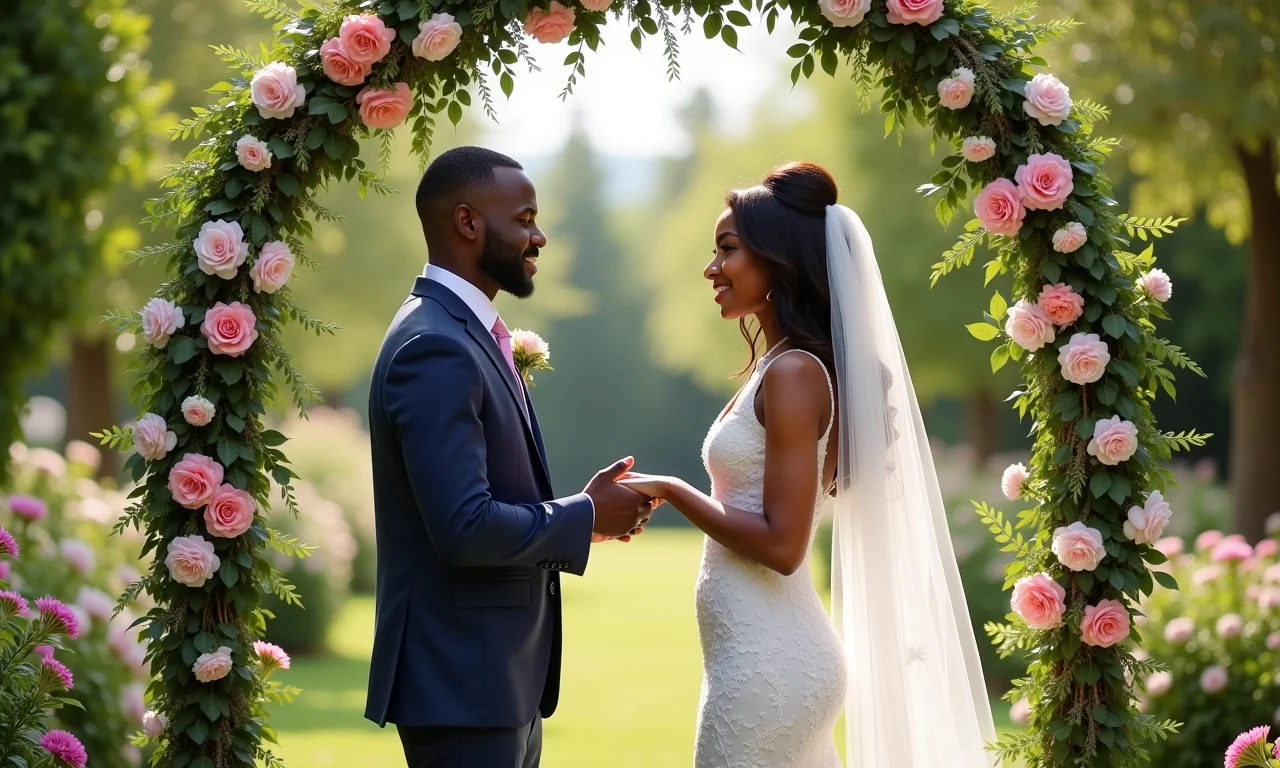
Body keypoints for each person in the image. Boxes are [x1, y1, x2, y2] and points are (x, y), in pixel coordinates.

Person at [620, 162, 998, 767]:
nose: (711, 267)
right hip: (760, 658)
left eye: (728, 249)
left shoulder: (795, 374)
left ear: (779, 259)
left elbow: (783, 545)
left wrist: (672, 490)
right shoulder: (780, 368)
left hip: (768, 667)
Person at [363, 146, 653, 768]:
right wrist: (582, 515)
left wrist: (581, 514)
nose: (539, 236)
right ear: (468, 223)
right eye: (524, 218)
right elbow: (464, 528)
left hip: (495, 686)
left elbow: (485, 496)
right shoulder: (435, 348)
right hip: (462, 685)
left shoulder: (462, 333)